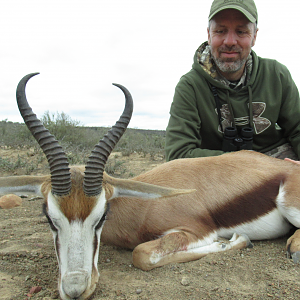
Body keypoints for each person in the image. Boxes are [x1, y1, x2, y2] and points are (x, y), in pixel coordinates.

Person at [165, 0, 300, 161]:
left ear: (254, 36)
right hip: (219, 176)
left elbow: (297, 130)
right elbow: (178, 155)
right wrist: (248, 164)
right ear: (209, 35)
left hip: (277, 166)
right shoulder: (190, 86)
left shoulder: (277, 75)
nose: (229, 41)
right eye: (220, 31)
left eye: (241, 32)